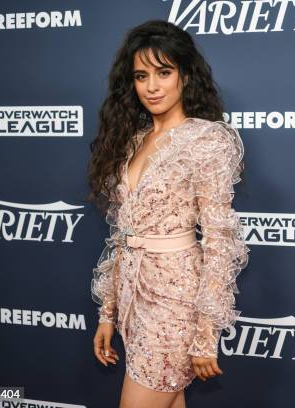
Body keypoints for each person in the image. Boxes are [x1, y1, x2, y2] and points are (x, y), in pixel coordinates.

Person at [86, 20, 250, 408]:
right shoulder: (133, 141)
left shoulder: (207, 140)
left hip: (174, 303)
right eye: (141, 76)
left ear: (186, 76)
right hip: (131, 295)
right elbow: (121, 233)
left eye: (164, 72)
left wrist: (206, 333)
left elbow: (220, 240)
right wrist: (107, 313)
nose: (152, 86)